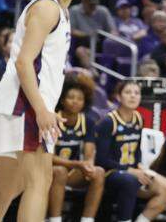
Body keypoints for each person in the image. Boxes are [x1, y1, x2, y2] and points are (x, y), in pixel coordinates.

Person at [0, 0, 101, 222]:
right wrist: (42, 109)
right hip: (25, 104)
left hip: (22, 103)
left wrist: (45, 107)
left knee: (9, 187)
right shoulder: (47, 7)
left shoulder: (59, 9)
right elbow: (24, 62)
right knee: (39, 181)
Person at [95, 80, 166, 222]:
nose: (133, 96)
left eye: (136, 93)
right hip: (110, 173)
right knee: (130, 180)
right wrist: (129, 170)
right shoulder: (108, 122)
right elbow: (101, 160)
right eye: (128, 92)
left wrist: (139, 166)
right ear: (118, 97)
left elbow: (137, 150)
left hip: (133, 170)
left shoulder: (139, 118)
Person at [48, 74, 105, 222]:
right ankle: (55, 219)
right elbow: (49, 157)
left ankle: (87, 219)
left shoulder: (88, 122)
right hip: (49, 169)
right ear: (62, 100)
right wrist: (76, 164)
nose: (75, 102)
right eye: (71, 97)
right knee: (60, 171)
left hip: (72, 169)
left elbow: (89, 152)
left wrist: (87, 164)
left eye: (80, 99)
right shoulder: (53, 119)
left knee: (98, 172)